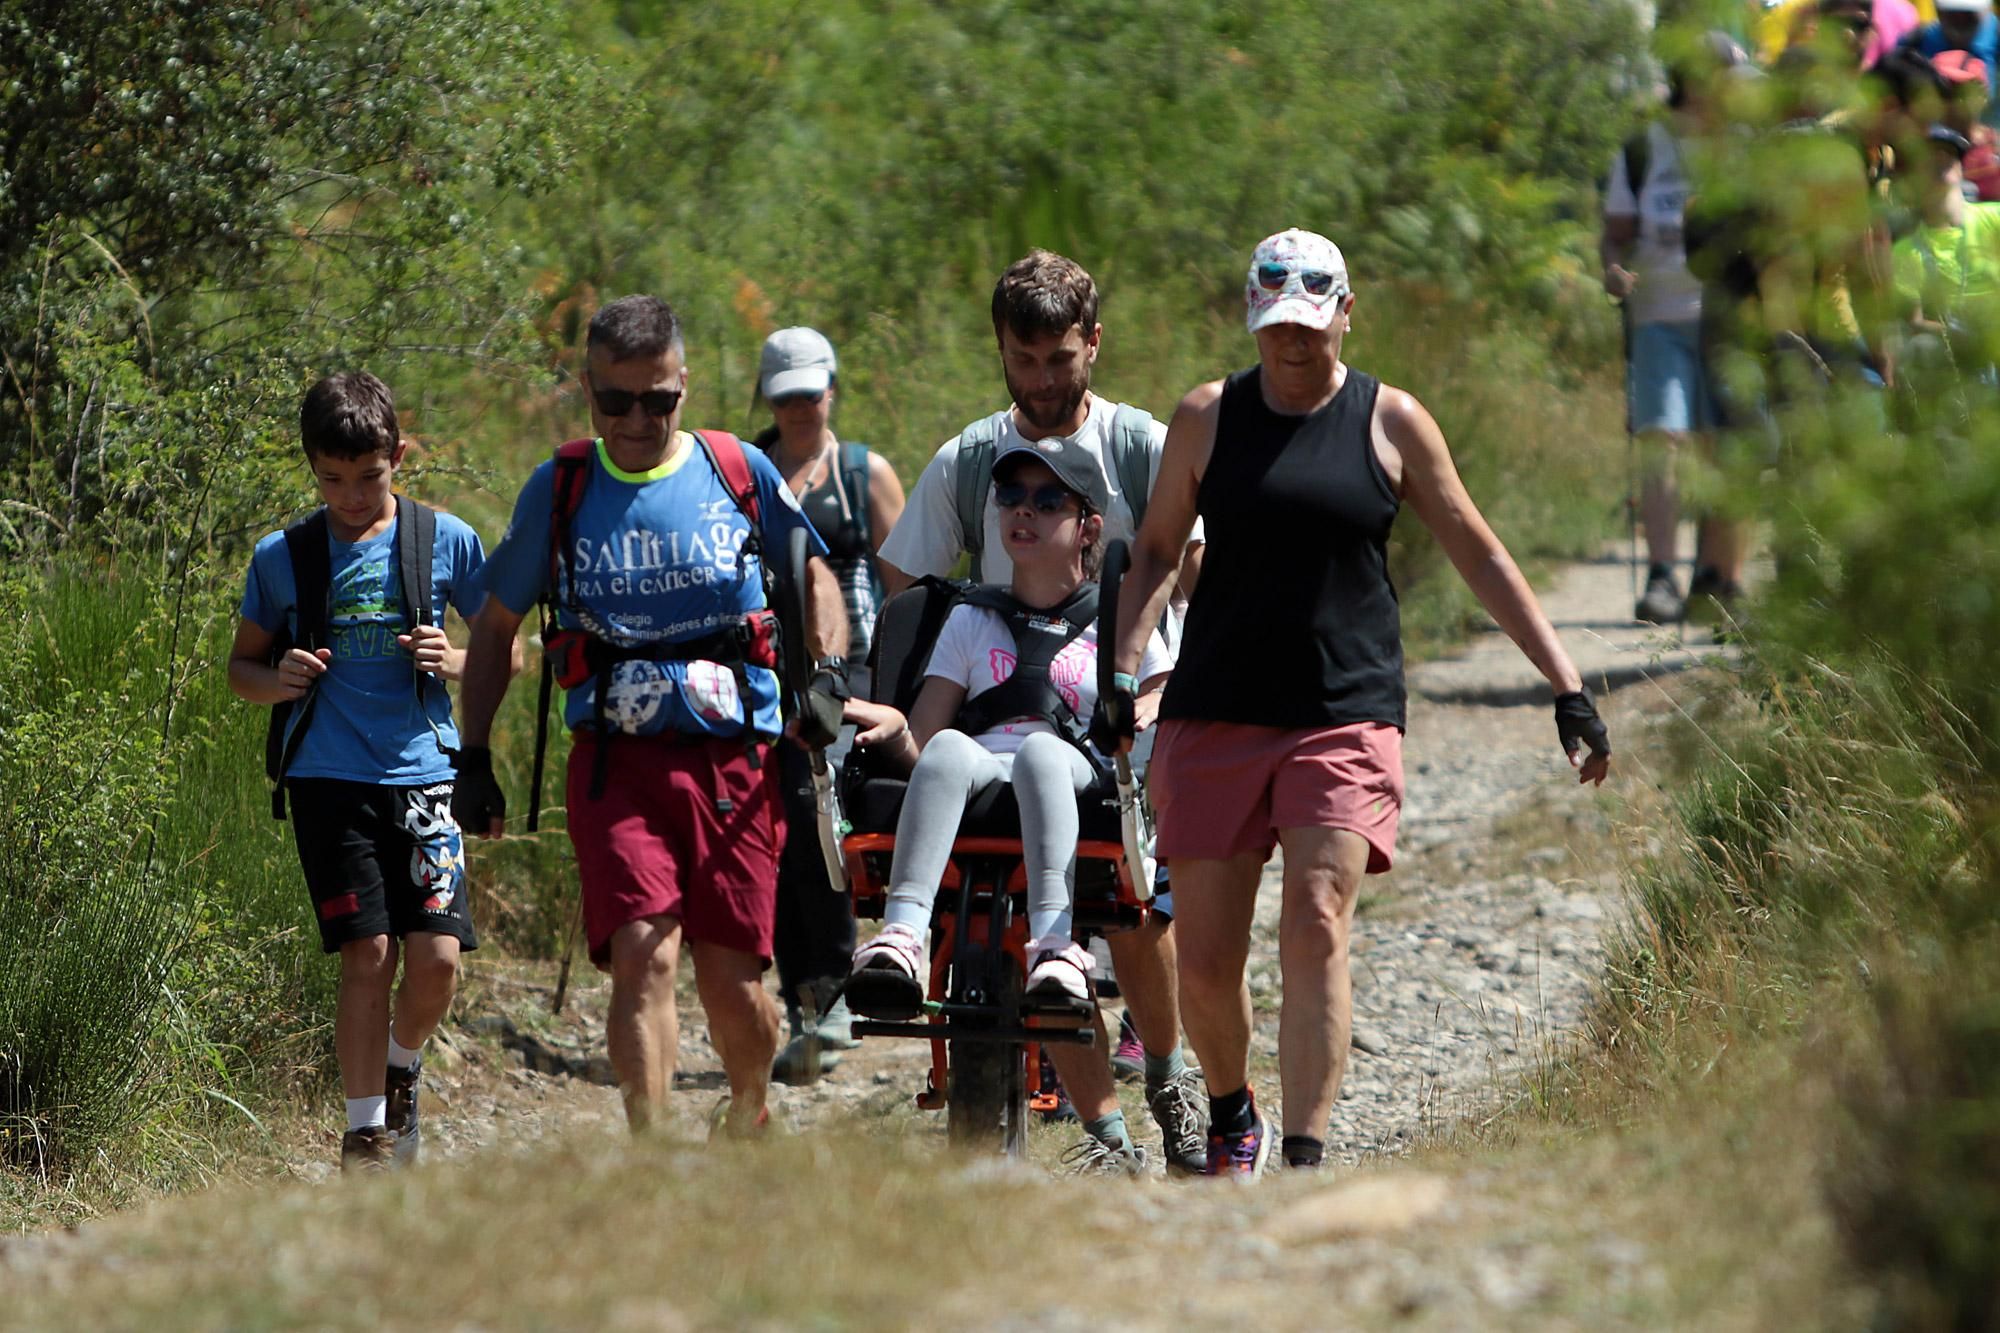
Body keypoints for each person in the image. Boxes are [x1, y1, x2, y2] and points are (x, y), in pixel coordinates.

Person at [1103, 229, 1613, 1179]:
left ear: (1346, 312)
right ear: (1253, 320)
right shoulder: (1207, 418)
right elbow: (1158, 550)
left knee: (1317, 913)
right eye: (1275, 327)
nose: (1293, 344)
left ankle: (1303, 1153)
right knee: (1207, 960)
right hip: (1215, 707)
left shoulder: (1392, 421)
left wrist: (1566, 682)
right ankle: (1230, 1109)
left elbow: (1479, 550)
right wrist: (1123, 674)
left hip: (1345, 708)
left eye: (1311, 324)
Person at [452, 295, 850, 1138]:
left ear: (685, 386)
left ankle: (748, 1109)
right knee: (642, 954)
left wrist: (830, 677)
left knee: (736, 986)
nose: (639, 418)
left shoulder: (736, 467)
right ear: (587, 391)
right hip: (616, 762)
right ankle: (652, 1154)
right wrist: (473, 754)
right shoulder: (562, 486)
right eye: (616, 400)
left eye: (659, 399)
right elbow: (495, 626)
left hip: (736, 761)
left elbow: (813, 571)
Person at [874, 249, 1210, 1175]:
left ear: (1092, 345)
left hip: (1124, 698)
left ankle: (1172, 1075)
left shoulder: (1141, 449)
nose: (1043, 381)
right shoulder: (972, 457)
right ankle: (1105, 1133)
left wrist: (1159, 692)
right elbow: (908, 585)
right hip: (996, 701)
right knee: (1027, 913)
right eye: (1024, 362)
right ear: (1002, 353)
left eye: (1060, 360)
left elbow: (1195, 584)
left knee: (1142, 922)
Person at [843, 438, 1175, 1173]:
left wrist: (1145, 708)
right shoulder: (970, 618)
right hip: (981, 773)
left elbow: (1157, 688)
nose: (1023, 509)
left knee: (1039, 752)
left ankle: (1058, 948)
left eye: (1047, 499)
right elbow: (929, 731)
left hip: (1076, 768)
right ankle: (901, 936)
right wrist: (897, 731)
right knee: (951, 750)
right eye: (1011, 497)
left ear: (1089, 524)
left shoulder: (1118, 617)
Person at [226, 371, 501, 1173]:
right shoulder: (284, 556)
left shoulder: (444, 539)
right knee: (367, 953)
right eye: (331, 479)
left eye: (368, 476)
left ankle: (402, 1064)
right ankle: (364, 1134)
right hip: (327, 779)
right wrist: (277, 676)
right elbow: (241, 666)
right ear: (312, 468)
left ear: (399, 456)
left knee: (437, 960)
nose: (350, 495)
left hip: (426, 777)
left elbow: (501, 649)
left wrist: (448, 657)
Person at [749, 326, 907, 1083]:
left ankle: (841, 987)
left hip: (855, 682)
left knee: (825, 824)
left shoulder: (860, 474)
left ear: (831, 389)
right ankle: (810, 999)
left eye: (811, 392)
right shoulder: (743, 472)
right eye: (786, 396)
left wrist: (903, 691)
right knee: (773, 836)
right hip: (763, 681)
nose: (800, 407)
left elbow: (906, 587)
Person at [1602, 40, 1742, 623]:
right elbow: (1615, 232)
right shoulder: (1644, 149)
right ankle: (1662, 575)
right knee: (1662, 439)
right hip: (1659, 313)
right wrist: (1614, 269)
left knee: (1724, 447)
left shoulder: (1744, 151)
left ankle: (1717, 579)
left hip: (1730, 317)